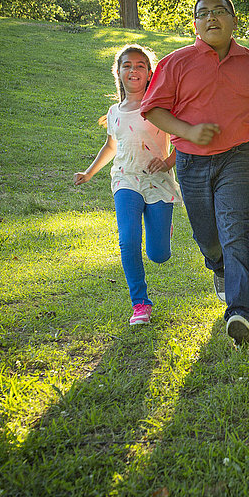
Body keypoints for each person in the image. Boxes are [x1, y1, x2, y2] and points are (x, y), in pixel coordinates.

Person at [141, 0, 249, 346]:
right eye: (204, 13)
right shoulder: (176, 63)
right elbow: (154, 109)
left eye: (220, 11)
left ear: (233, 21)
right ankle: (219, 268)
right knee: (208, 237)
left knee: (235, 228)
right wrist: (188, 131)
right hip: (191, 161)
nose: (212, 17)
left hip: (239, 157)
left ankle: (241, 312)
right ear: (195, 24)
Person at [74, 44, 182, 325]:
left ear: (149, 73)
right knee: (128, 240)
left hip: (158, 182)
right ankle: (140, 304)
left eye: (140, 66)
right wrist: (88, 173)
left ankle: (162, 229)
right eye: (127, 66)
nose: (133, 70)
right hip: (125, 179)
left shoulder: (160, 107)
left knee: (158, 255)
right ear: (118, 72)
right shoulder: (114, 112)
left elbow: (184, 141)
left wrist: (167, 164)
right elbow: (111, 146)